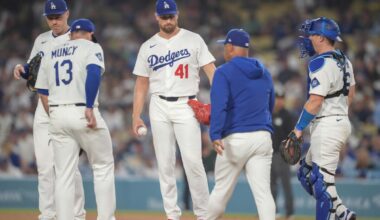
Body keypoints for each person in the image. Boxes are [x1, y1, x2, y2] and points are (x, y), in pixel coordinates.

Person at [132, 0, 216, 219]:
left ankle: (204, 214)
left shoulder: (193, 39)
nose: (168, 20)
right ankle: (172, 214)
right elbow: (141, 84)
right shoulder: (147, 46)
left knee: (193, 162)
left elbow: (212, 71)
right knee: (165, 163)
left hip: (186, 104)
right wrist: (136, 116)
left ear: (177, 15)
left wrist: (221, 100)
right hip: (158, 103)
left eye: (171, 16)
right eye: (164, 16)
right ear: (156, 17)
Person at [35, 18, 116, 220]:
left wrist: (53, 115)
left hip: (57, 113)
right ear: (90, 34)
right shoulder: (91, 46)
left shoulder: (51, 52)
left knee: (63, 175)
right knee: (102, 166)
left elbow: (42, 90)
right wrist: (89, 106)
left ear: (71, 35)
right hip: (82, 111)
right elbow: (94, 73)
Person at [12, 1, 85, 219]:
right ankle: (48, 214)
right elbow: (32, 69)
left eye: (58, 16)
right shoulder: (41, 39)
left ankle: (77, 214)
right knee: (44, 167)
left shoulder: (80, 37)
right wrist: (22, 69)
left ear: (67, 14)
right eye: (50, 17)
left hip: (67, 106)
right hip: (43, 109)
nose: (54, 21)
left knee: (69, 167)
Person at [207, 28, 276, 220]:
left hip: (235, 139)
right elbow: (270, 105)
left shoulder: (223, 72)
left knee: (220, 192)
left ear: (230, 47)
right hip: (262, 137)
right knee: (264, 194)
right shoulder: (264, 72)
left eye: (224, 47)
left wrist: (215, 134)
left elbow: (219, 106)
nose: (223, 51)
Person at [295, 17, 356, 220]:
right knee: (305, 173)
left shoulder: (320, 62)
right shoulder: (344, 60)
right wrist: (338, 111)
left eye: (311, 34)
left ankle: (334, 214)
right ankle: (342, 212)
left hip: (328, 123)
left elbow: (314, 102)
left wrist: (298, 129)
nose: (308, 38)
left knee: (321, 183)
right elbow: (351, 94)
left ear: (321, 38)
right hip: (338, 120)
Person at [270, 87, 294, 219]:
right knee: (271, 185)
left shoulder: (287, 115)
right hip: (270, 154)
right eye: (277, 98)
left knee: (286, 185)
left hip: (283, 154)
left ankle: (289, 213)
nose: (279, 101)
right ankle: (274, 211)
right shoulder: (269, 113)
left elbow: (292, 136)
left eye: (281, 99)